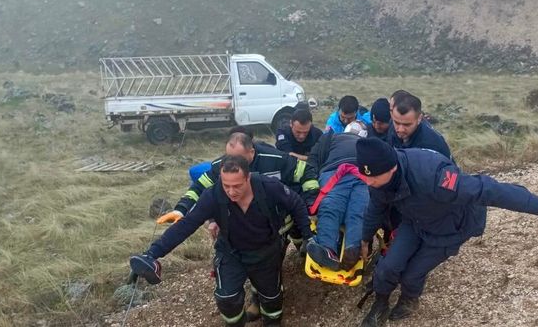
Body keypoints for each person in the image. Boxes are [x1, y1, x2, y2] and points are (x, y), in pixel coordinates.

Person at [354, 138, 538, 327]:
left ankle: (409, 300)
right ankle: (380, 302)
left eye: (373, 177)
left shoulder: (435, 176)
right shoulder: (377, 180)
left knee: (412, 274)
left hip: (450, 228)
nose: (369, 182)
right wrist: (365, 238)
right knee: (388, 266)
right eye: (366, 177)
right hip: (416, 221)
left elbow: (489, 190)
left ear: (392, 167)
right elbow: (375, 207)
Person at [129, 156, 313, 327]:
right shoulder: (213, 195)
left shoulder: (269, 186)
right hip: (231, 254)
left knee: (272, 299)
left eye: (237, 186)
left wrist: (309, 237)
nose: (231, 192)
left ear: (248, 178)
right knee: (227, 299)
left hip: (266, 252)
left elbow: (296, 203)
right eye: (226, 186)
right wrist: (153, 253)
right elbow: (187, 225)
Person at [158, 132, 319, 223]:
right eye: (229, 157)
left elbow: (307, 172)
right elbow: (198, 188)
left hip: (279, 217)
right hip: (241, 220)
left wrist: (310, 202)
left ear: (252, 152)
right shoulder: (221, 165)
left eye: (239, 158)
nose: (232, 163)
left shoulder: (275, 159)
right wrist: (181, 210)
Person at [305, 121, 369, 271]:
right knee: (359, 210)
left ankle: (327, 247)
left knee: (330, 206)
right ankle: (353, 247)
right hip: (363, 175)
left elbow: (313, 159)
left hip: (335, 172)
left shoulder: (331, 138)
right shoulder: (368, 144)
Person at [387, 90, 452, 160]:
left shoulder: (431, 146)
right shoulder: (391, 125)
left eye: (407, 125)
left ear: (419, 119)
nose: (400, 129)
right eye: (397, 123)